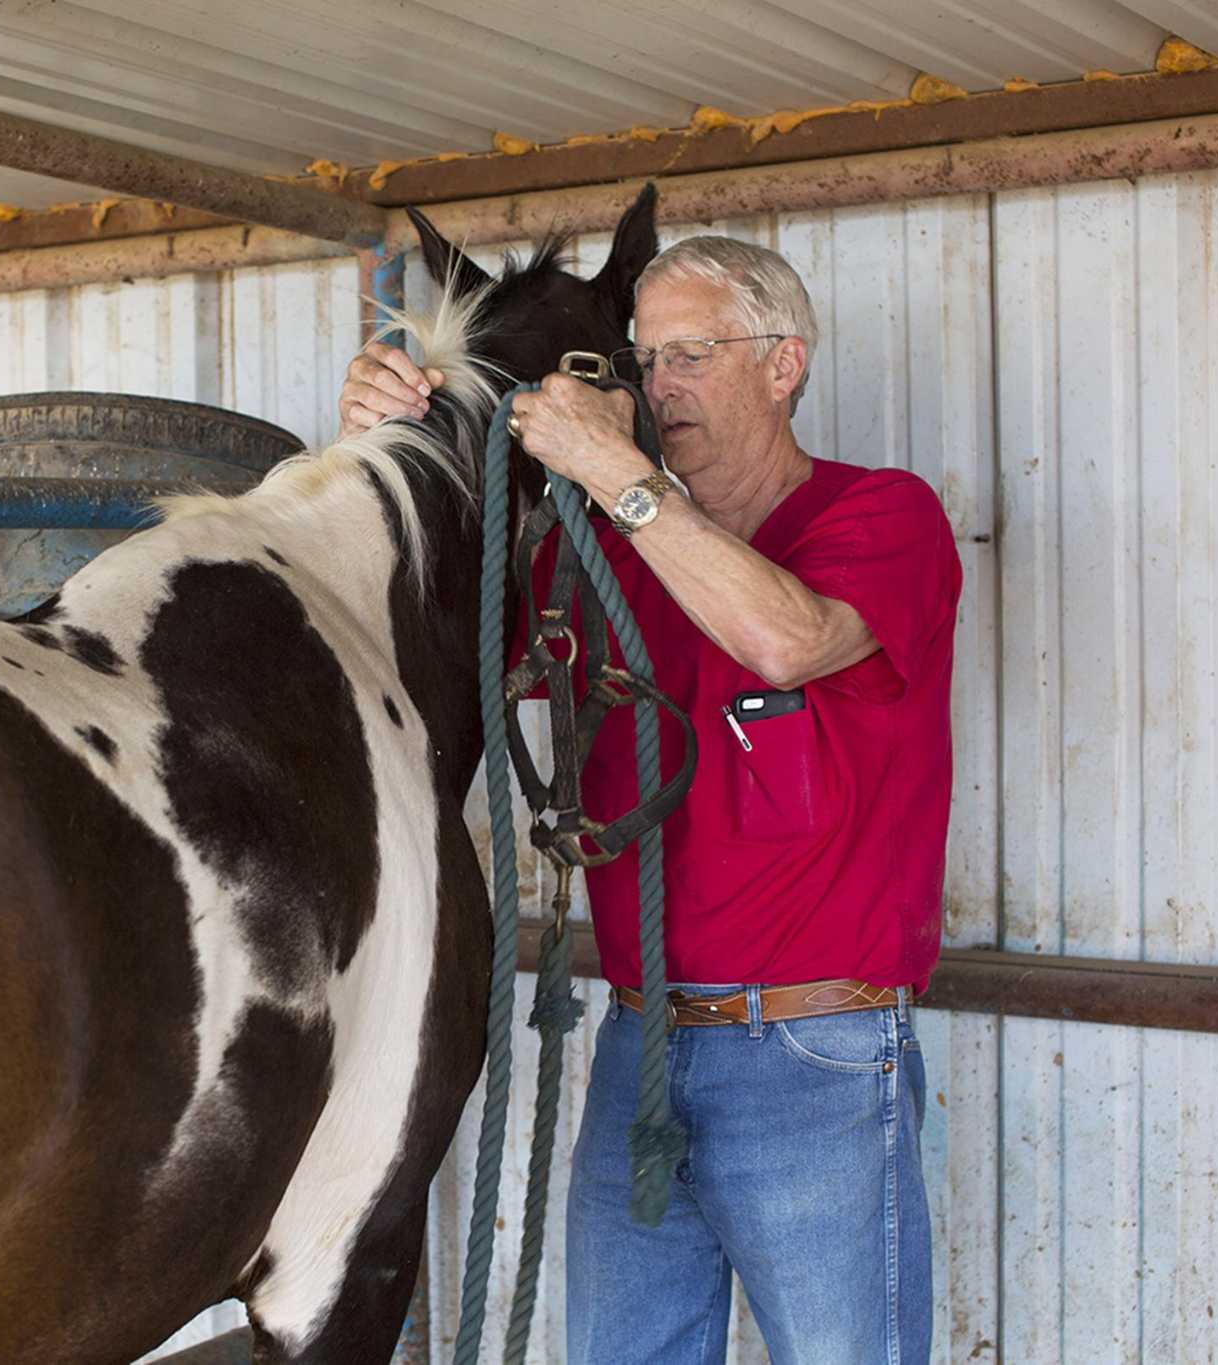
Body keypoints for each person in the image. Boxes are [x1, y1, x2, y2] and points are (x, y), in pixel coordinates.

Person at [336, 234, 960, 1364]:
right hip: (643, 1041)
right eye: (640, 359)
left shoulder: (880, 517)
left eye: (689, 356)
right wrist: (385, 443)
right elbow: (423, 636)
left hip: (813, 1046)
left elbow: (785, 638)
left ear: (783, 365)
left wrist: (616, 481)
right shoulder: (592, 556)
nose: (654, 386)